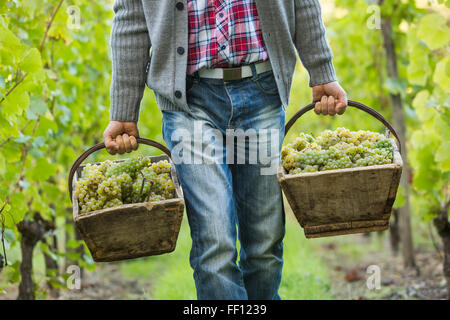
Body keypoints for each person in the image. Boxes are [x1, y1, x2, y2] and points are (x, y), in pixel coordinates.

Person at [103, 0, 347, 300]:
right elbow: (131, 19)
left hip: (262, 93)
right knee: (214, 237)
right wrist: (124, 110)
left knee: (264, 240)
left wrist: (322, 71)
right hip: (188, 103)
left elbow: (303, 4)